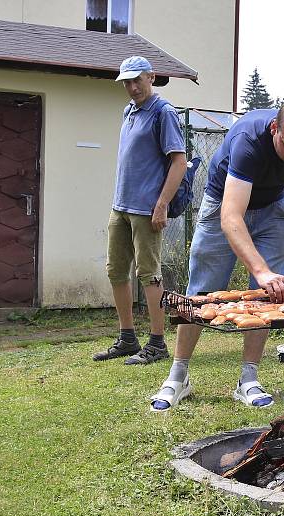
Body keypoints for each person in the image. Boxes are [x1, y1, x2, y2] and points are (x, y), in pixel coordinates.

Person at [149, 100, 284, 412]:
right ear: (275, 128)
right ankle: (178, 377)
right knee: (202, 292)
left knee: (268, 297)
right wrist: (261, 272)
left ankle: (248, 380)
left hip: (272, 209)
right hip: (223, 203)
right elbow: (231, 218)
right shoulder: (249, 140)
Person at [93, 56, 188, 365]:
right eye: (127, 82)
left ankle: (158, 343)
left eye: (137, 80)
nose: (132, 87)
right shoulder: (129, 110)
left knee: (149, 274)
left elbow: (179, 162)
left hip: (147, 210)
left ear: (152, 77)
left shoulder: (163, 113)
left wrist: (161, 205)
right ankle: (127, 338)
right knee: (115, 271)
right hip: (120, 206)